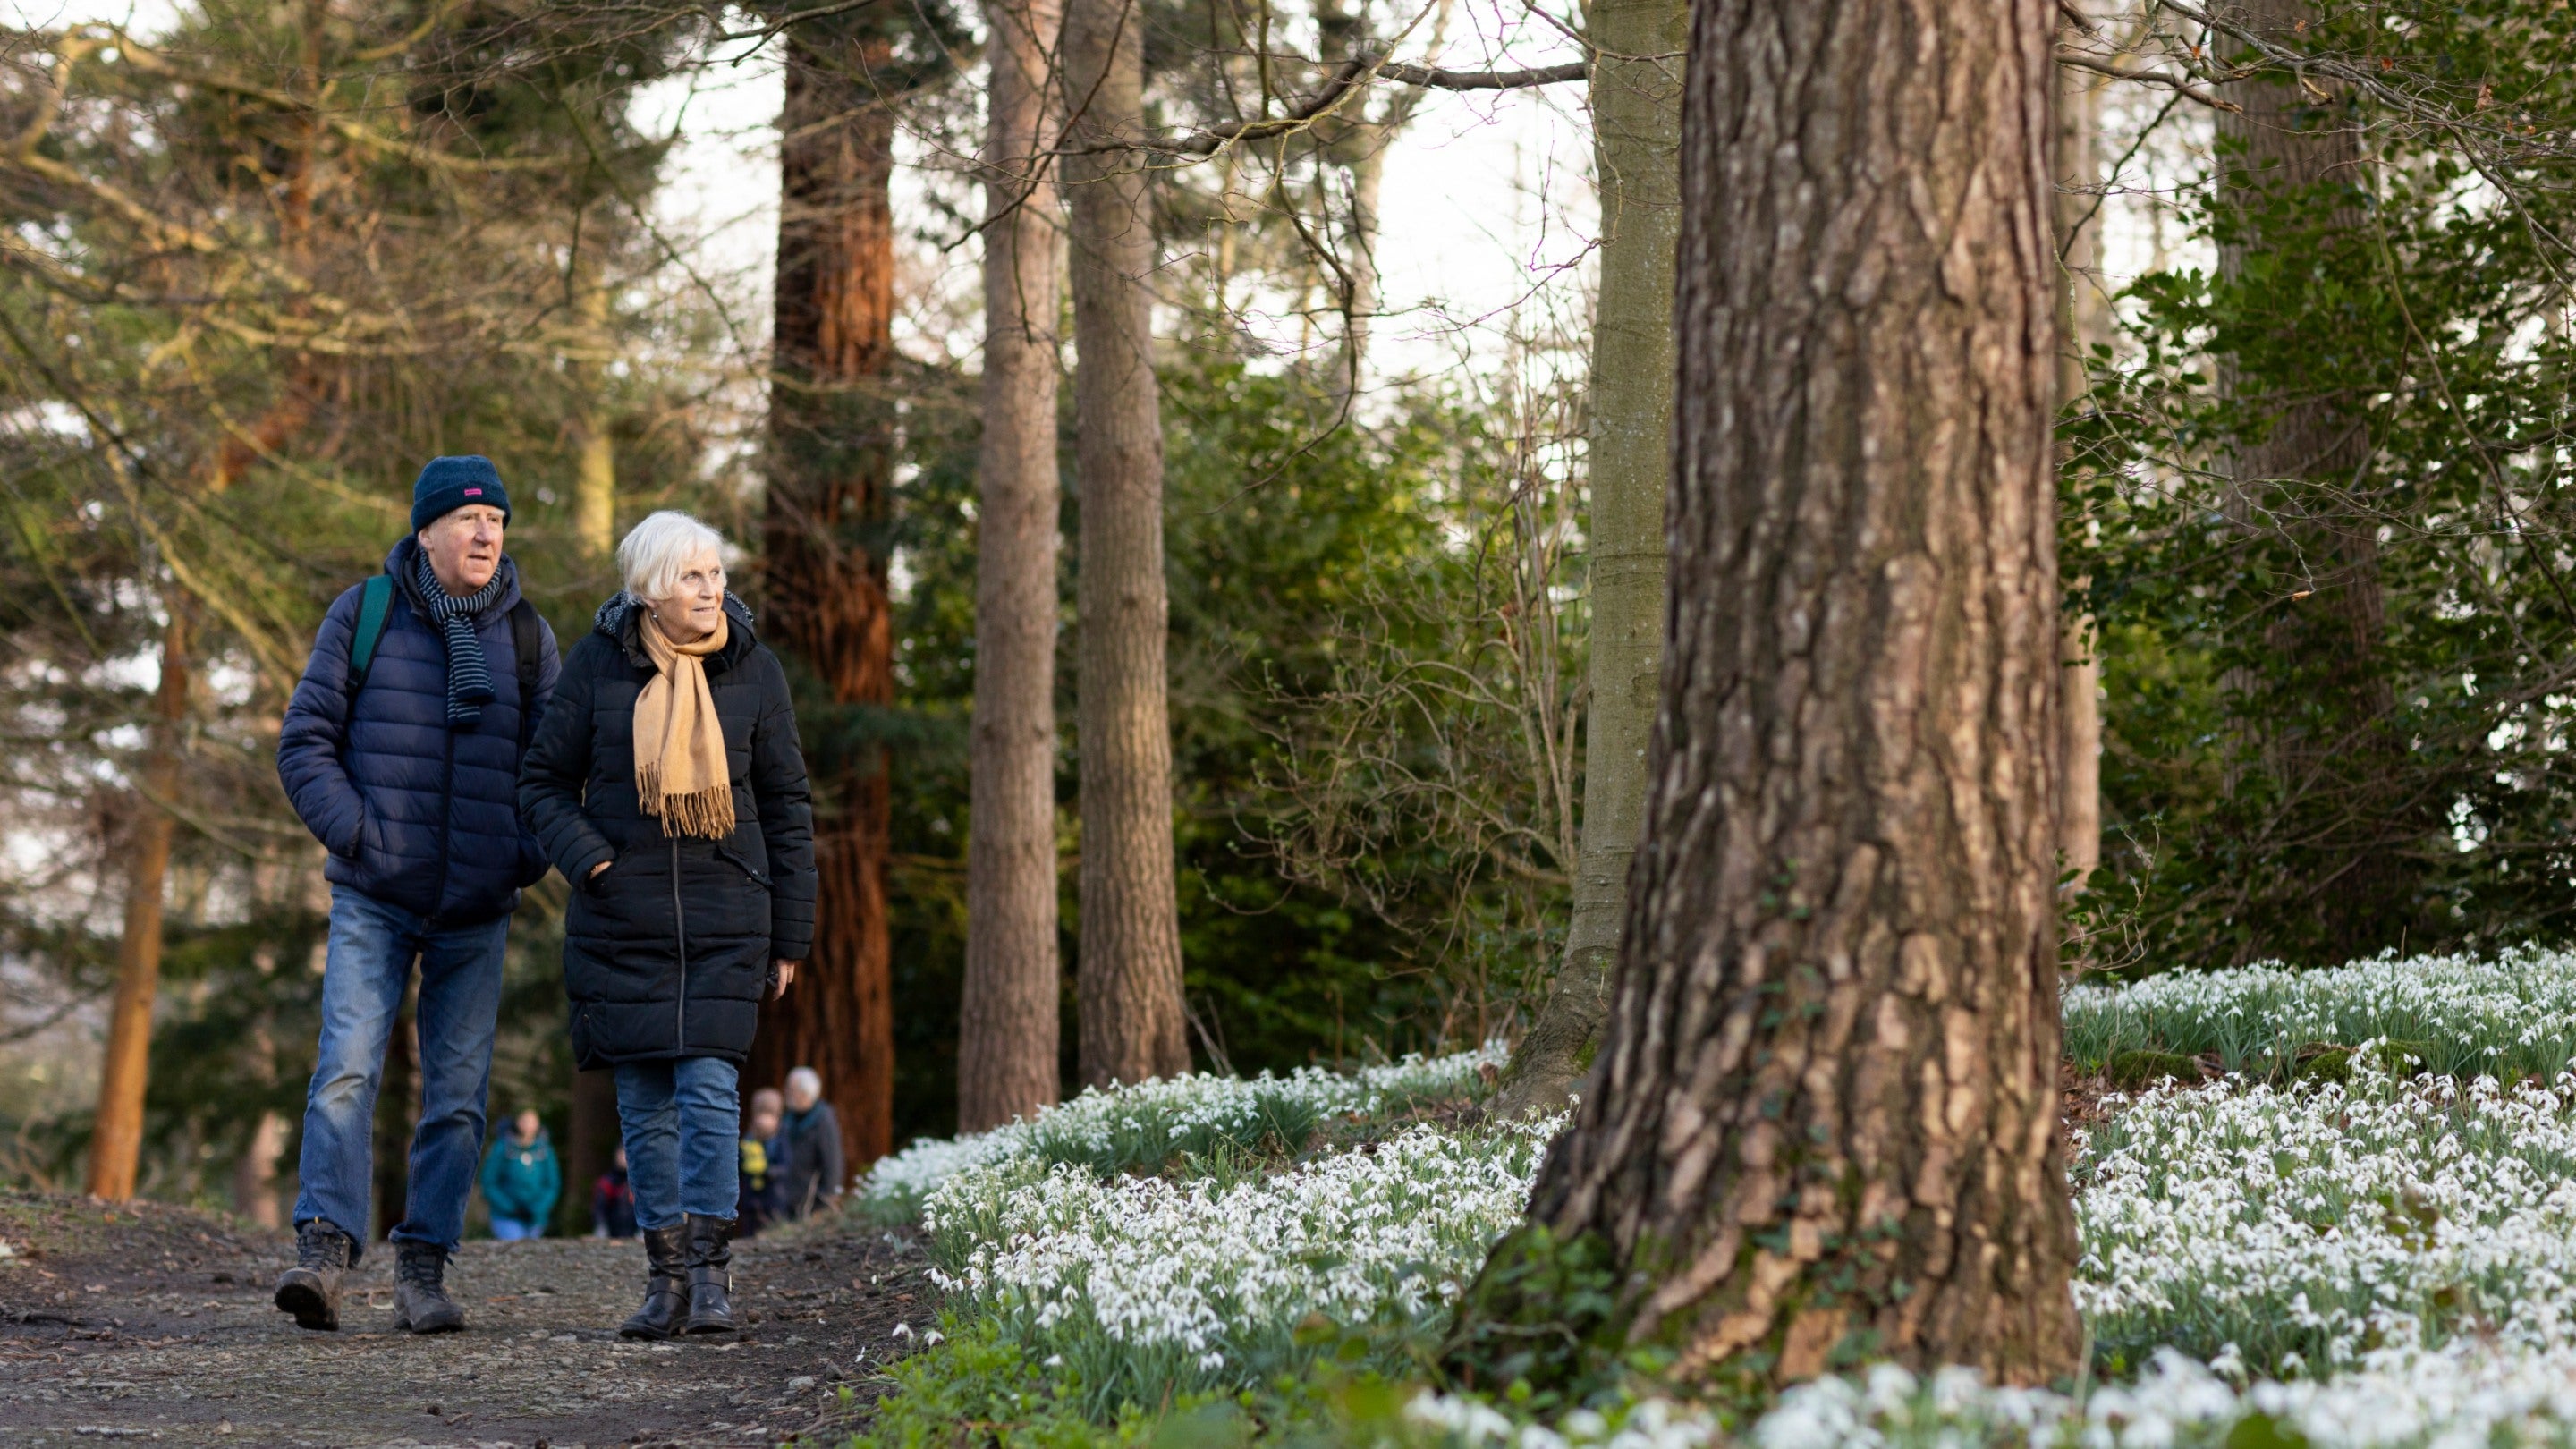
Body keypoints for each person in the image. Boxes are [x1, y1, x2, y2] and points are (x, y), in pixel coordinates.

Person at [272, 455, 560, 1335]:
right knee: (346, 1072)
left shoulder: (525, 638)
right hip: (375, 891)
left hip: (477, 903)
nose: (486, 535)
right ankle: (324, 1254)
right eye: (470, 521)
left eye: (498, 523)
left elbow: (553, 774)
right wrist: (361, 833)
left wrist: (516, 856)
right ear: (427, 530)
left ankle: (424, 1271)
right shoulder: (365, 614)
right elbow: (304, 744)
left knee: (461, 1094)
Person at [518, 510, 817, 1340]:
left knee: (711, 1091)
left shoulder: (755, 671)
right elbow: (541, 782)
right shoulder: (598, 666)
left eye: (717, 573)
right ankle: (667, 1283)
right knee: (645, 1107)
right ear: (650, 589)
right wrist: (593, 860)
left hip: (730, 916)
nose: (713, 589)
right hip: (624, 919)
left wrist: (792, 933)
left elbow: (788, 804)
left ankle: (714, 1279)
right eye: (693, 576)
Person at [479, 1109, 560, 1241]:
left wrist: (537, 1208)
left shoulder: (545, 1150)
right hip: (506, 1217)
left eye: (532, 1121)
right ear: (516, 1122)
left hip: (535, 1218)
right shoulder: (502, 1148)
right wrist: (510, 1207)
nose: (528, 1126)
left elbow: (552, 1185)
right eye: (524, 1121)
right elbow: (489, 1182)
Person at [778, 1066, 845, 1222]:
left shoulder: (823, 1119)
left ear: (805, 1093)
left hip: (813, 1202)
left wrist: (827, 1197)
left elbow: (833, 1162)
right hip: (789, 1198)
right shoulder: (788, 1119)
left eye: (791, 1089)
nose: (786, 1092)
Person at [736, 1088, 784, 1236]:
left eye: (769, 1114)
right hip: (750, 1199)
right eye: (761, 1114)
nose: (764, 1120)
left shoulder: (780, 1140)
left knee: (774, 1232)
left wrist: (767, 1171)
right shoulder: (749, 1138)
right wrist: (747, 1164)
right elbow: (739, 1165)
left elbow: (786, 1166)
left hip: (773, 1198)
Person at [593, 1145, 639, 1240]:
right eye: (622, 1155)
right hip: (611, 1233)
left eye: (626, 1155)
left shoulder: (639, 1182)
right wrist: (601, 1227)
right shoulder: (607, 1182)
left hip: (635, 1233)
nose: (624, 1158)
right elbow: (599, 1209)